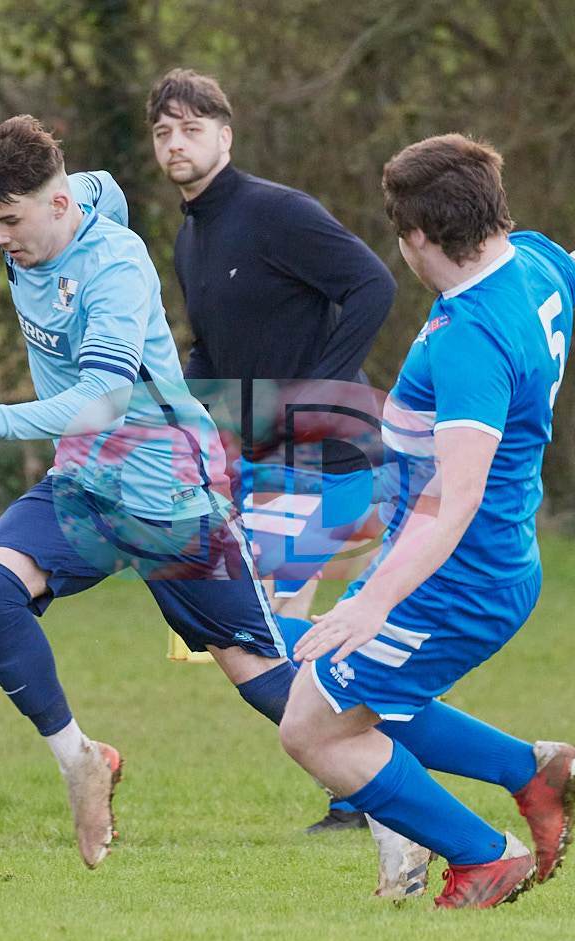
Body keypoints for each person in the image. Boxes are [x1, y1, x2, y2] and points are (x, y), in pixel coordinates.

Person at [278, 133, 575, 907]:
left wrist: (373, 600)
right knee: (345, 691)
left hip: (456, 578)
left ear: (419, 237)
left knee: (312, 728)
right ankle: (533, 771)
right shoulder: (532, 261)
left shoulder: (473, 343)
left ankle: (485, 857)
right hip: (485, 563)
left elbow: (455, 503)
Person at [0, 115, 304, 871]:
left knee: (268, 687)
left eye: (9, 221)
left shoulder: (118, 269)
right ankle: (81, 761)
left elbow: (103, 400)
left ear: (56, 205)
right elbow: (106, 189)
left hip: (169, 498)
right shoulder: (62, 212)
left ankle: (393, 810)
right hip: (85, 489)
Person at [148, 67, 395, 833]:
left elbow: (373, 285)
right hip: (262, 461)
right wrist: (180, 411)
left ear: (225, 136)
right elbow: (215, 350)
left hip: (329, 461)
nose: (176, 143)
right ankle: (365, 783)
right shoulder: (191, 238)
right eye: (163, 132)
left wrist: (322, 390)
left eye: (192, 129)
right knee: (271, 626)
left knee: (259, 622)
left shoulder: (277, 213)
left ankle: (380, 777)